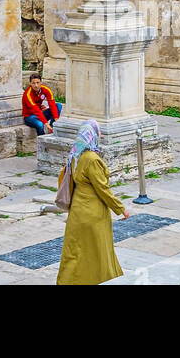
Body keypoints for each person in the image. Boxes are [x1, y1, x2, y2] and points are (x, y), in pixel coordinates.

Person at [55, 120, 128, 285]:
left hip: (77, 211)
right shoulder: (92, 159)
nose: (100, 134)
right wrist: (120, 208)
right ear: (93, 135)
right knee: (97, 251)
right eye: (98, 132)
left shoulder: (75, 155)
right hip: (92, 213)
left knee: (75, 251)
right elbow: (102, 188)